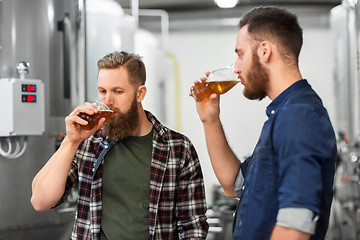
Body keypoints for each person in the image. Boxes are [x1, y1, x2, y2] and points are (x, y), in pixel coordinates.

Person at [191, 6, 337, 240]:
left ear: (264, 51)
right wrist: (210, 121)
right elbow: (234, 184)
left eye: (240, 55)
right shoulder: (282, 113)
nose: (236, 68)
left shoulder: (299, 116)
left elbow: (295, 226)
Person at [31, 51, 209, 240]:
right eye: (102, 91)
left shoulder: (178, 148)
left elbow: (193, 227)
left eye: (118, 91)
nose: (108, 101)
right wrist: (71, 141)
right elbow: (41, 201)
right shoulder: (88, 143)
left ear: (140, 93)